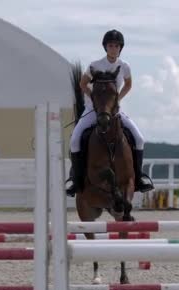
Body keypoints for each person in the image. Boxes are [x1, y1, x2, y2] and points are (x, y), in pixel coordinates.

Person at [66, 29, 154, 196]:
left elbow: (128, 84)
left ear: (121, 48)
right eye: (110, 45)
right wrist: (93, 99)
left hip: (114, 111)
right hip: (93, 110)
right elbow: (82, 84)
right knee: (75, 140)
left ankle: (139, 177)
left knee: (140, 139)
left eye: (116, 46)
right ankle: (75, 180)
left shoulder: (125, 66)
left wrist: (117, 100)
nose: (113, 48)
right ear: (105, 47)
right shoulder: (95, 65)